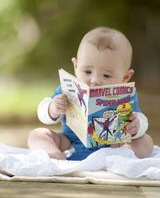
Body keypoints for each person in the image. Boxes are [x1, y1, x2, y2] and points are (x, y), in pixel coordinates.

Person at [27, 27, 153, 160]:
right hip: (70, 143)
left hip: (113, 147)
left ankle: (123, 156)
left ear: (125, 77)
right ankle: (55, 156)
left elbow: (141, 117)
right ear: (76, 66)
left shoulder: (126, 95)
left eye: (106, 75)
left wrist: (137, 125)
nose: (95, 80)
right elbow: (42, 113)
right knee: (37, 135)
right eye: (87, 72)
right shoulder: (68, 89)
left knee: (145, 141)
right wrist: (53, 108)